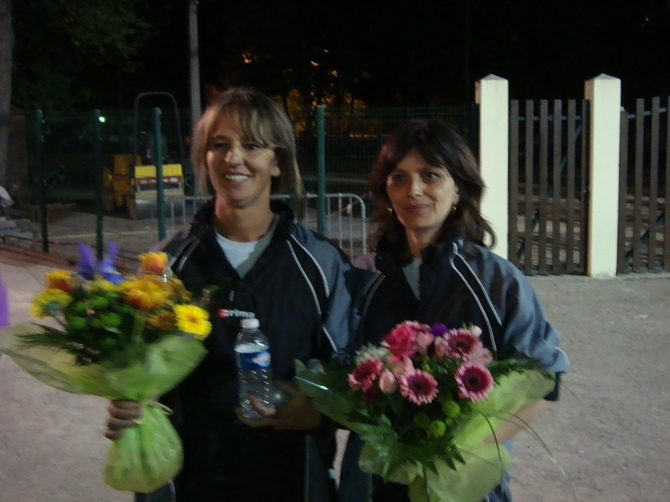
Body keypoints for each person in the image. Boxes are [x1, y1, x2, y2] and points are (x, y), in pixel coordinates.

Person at [106, 87, 360, 502]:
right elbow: (140, 371)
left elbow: (348, 375)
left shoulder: (321, 264)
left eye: (253, 145)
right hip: (194, 484)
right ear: (205, 159)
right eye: (219, 145)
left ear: (278, 162)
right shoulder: (169, 264)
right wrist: (127, 404)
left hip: (293, 483)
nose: (233, 158)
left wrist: (316, 411)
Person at [338, 119, 569, 502]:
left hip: (465, 484)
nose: (413, 190)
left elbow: (543, 381)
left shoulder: (496, 282)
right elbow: (338, 373)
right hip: (375, 485)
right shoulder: (362, 278)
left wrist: (456, 448)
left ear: (459, 188)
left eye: (430, 175)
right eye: (398, 178)